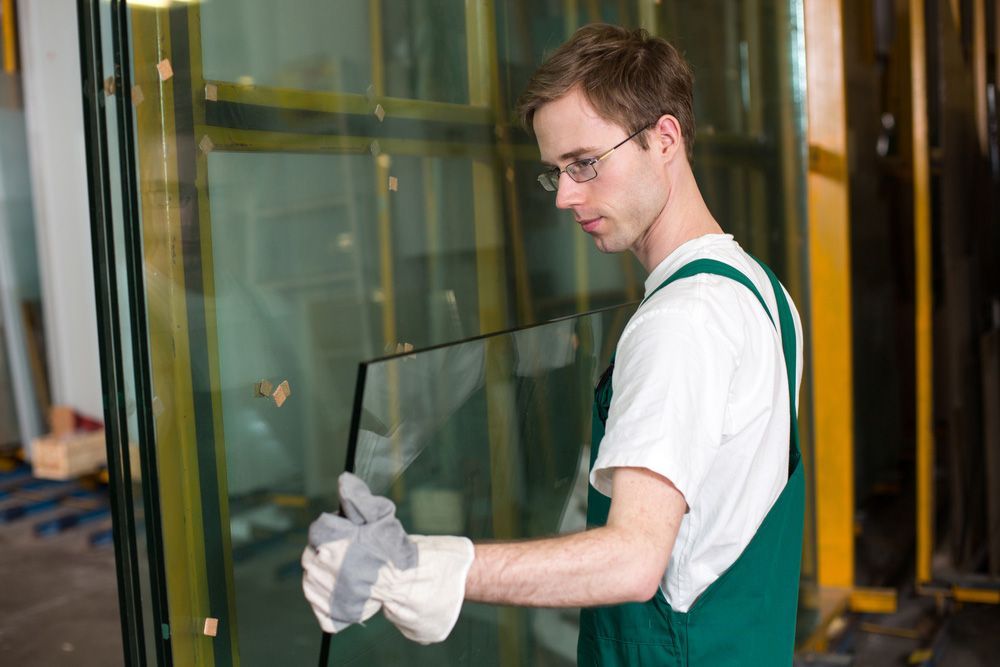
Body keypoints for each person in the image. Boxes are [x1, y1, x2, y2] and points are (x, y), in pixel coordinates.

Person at [302, 23, 805, 665]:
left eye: (585, 163)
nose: (566, 196)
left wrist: (416, 569)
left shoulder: (683, 322)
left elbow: (632, 561)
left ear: (665, 138)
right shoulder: (759, 292)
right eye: (556, 173)